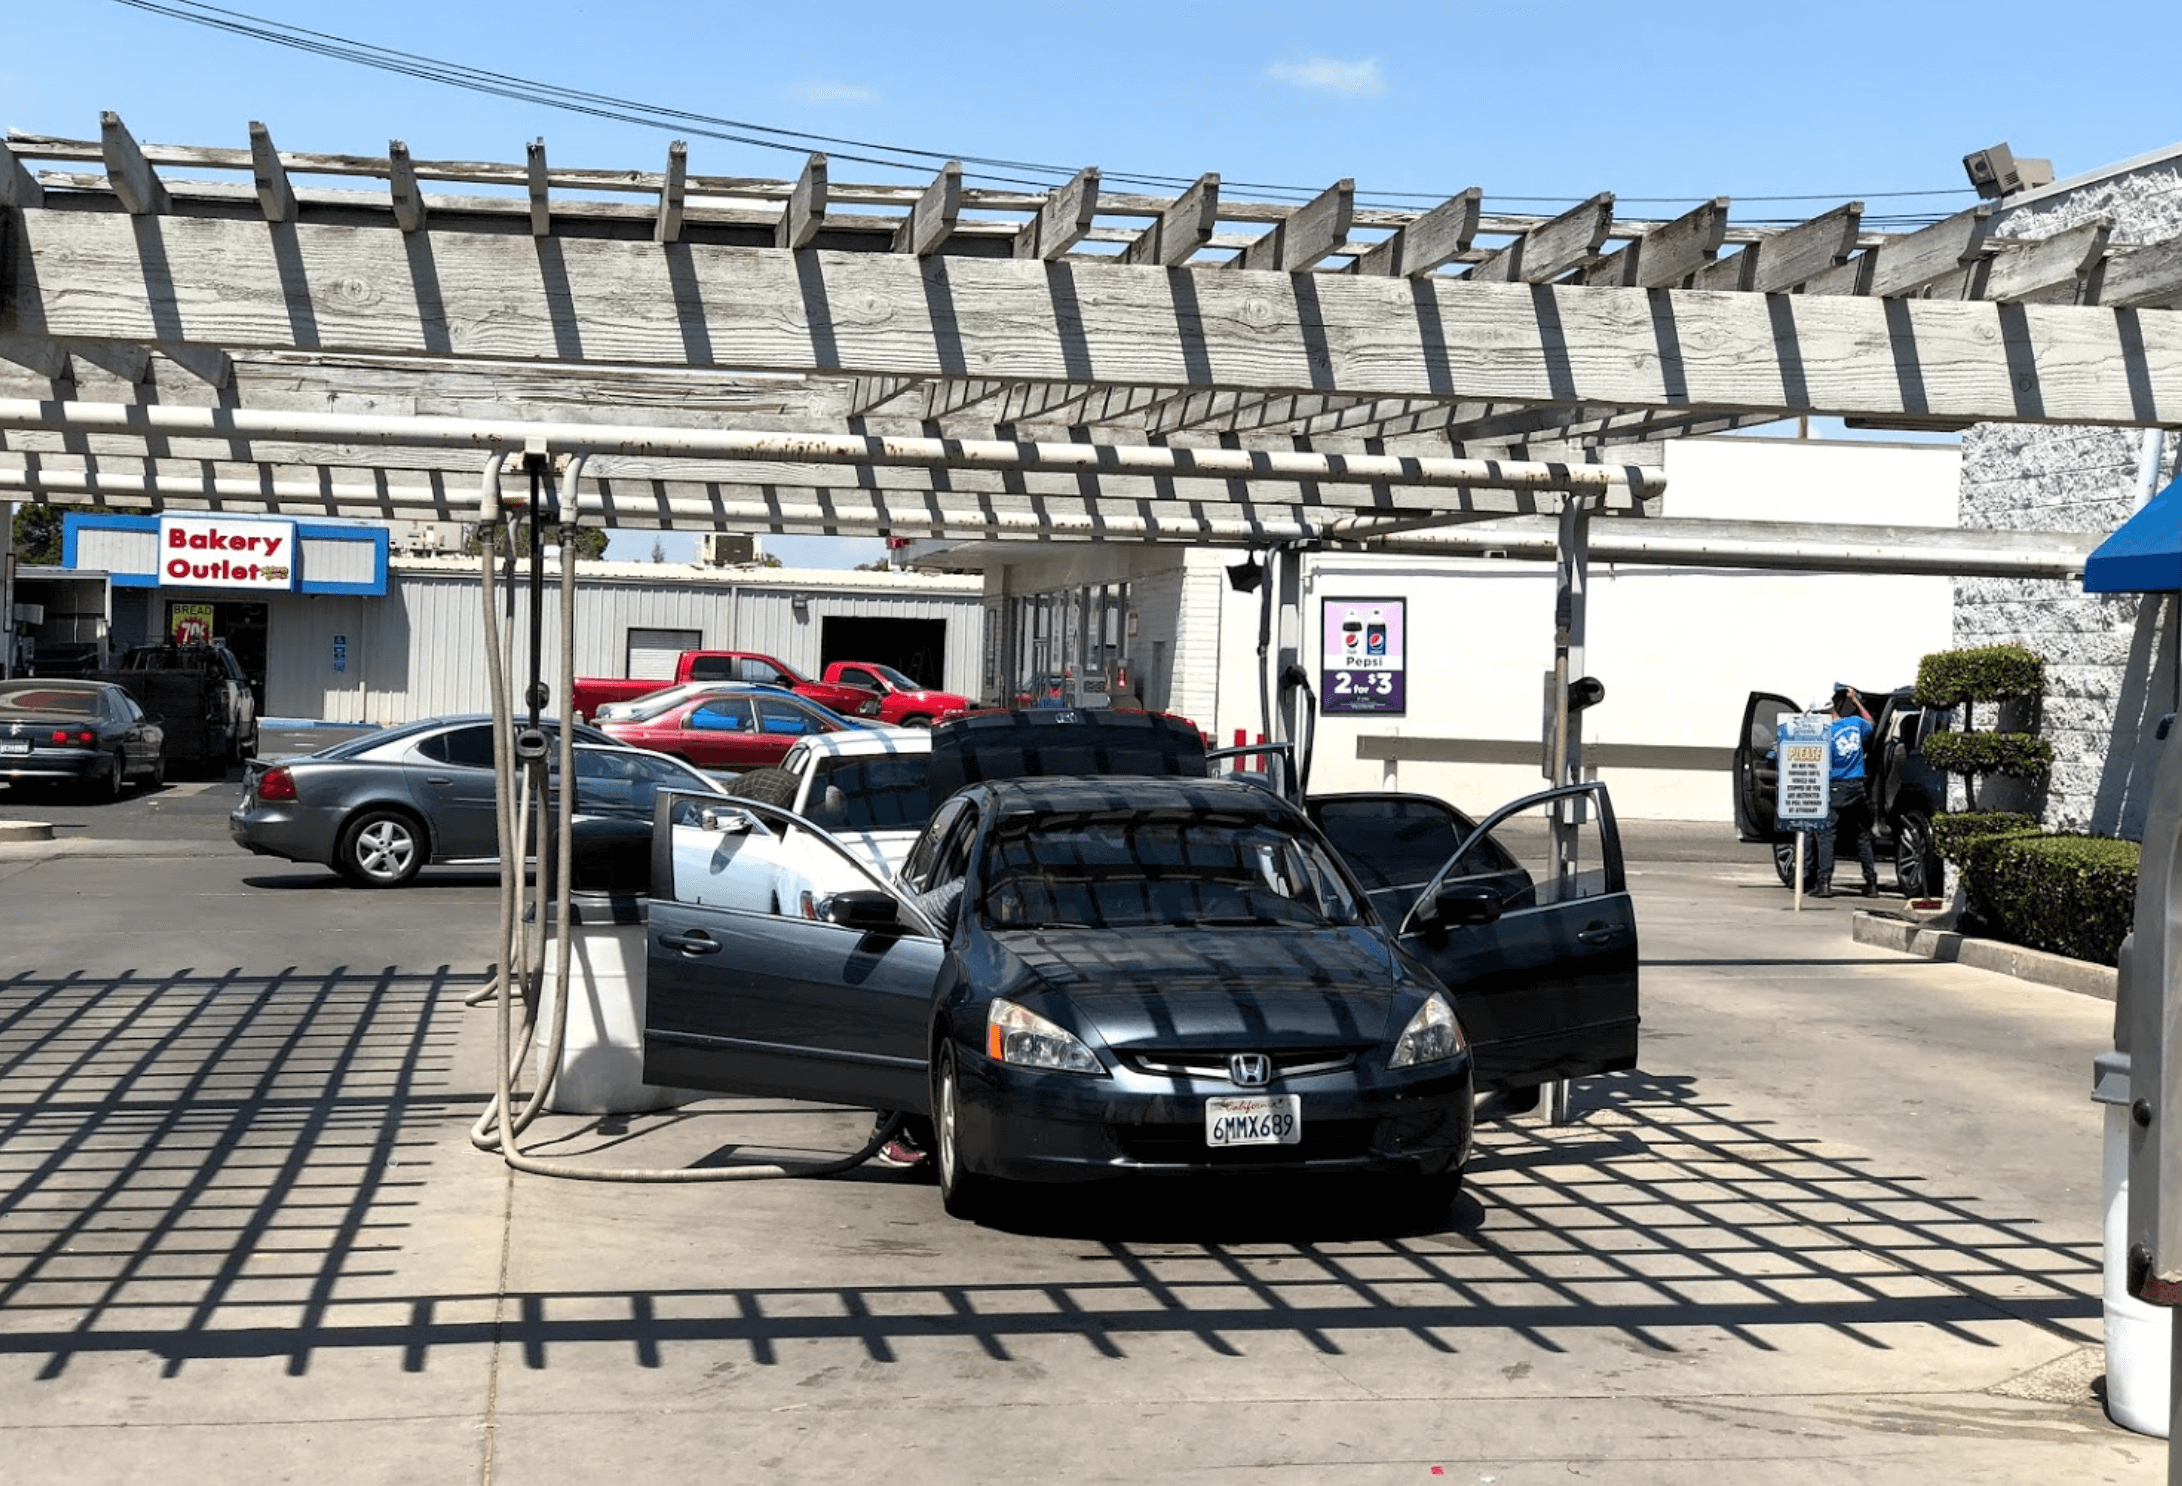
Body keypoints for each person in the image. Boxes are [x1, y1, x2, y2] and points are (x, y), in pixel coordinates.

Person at [1815, 684, 1878, 898]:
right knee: (1862, 836)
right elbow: (1871, 722)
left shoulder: (1823, 735)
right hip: (1858, 787)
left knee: (1826, 836)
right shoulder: (1855, 723)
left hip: (1836, 787)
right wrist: (1856, 701)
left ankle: (1824, 883)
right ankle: (1871, 884)